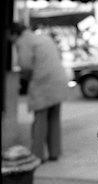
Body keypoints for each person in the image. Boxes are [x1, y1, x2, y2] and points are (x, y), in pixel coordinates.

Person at [9, 22, 69, 162]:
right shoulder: (42, 37)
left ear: (13, 34)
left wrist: (24, 79)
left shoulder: (23, 41)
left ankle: (37, 155)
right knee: (54, 118)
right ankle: (54, 153)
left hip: (43, 84)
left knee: (40, 120)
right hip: (59, 81)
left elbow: (25, 66)